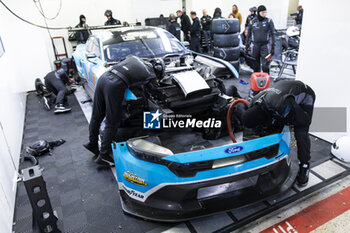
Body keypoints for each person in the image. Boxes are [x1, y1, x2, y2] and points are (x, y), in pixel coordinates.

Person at [83, 56, 159, 166]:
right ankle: (103, 155)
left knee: (97, 115)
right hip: (115, 85)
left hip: (104, 77)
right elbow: (152, 90)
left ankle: (92, 143)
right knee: (112, 122)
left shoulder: (134, 58)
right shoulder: (150, 73)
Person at [243, 79, 315, 187]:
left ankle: (304, 166)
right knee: (272, 124)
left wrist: (285, 121)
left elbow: (304, 120)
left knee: (301, 133)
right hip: (282, 91)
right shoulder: (254, 101)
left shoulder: (281, 105)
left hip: (304, 94)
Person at [245, 5, 275, 73]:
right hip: (255, 46)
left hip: (265, 46)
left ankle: (266, 79)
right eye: (263, 12)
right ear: (259, 12)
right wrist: (247, 46)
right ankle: (256, 80)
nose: (264, 14)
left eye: (265, 12)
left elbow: (273, 35)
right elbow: (249, 35)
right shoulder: (252, 22)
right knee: (255, 66)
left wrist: (273, 48)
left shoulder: (269, 21)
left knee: (265, 66)